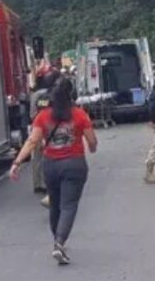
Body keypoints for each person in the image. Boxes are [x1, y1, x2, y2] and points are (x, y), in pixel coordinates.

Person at [10, 78, 98, 265]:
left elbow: (32, 141)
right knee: (69, 205)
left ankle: (57, 240)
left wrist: (17, 162)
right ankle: (59, 242)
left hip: (51, 165)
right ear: (71, 95)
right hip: (74, 164)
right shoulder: (80, 115)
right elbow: (91, 141)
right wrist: (92, 148)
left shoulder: (42, 116)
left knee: (55, 204)